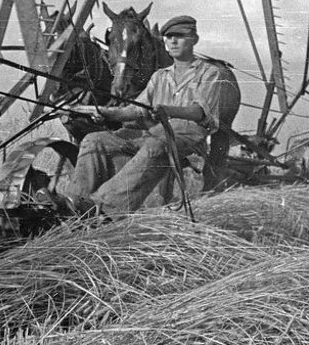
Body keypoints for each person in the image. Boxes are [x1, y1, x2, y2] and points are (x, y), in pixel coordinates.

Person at [61, 15, 233, 216]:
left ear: (194, 39)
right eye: (169, 37)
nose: (173, 41)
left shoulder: (210, 73)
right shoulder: (159, 76)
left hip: (187, 139)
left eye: (180, 36)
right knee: (95, 140)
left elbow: (199, 111)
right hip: (154, 135)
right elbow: (135, 110)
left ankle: (104, 207)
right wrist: (105, 113)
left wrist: (168, 110)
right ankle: (73, 201)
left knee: (155, 146)